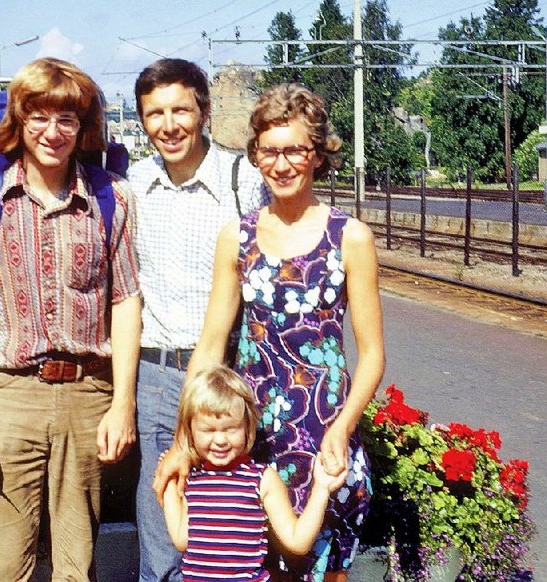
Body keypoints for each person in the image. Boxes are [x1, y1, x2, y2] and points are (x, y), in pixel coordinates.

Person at [158, 83, 386, 581]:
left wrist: (344, 428)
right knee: (250, 567)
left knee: (327, 566)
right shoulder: (236, 237)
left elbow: (371, 356)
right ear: (255, 154)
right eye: (269, 151)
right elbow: (212, 344)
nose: (281, 165)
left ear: (318, 154)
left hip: (323, 433)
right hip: (249, 439)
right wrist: (182, 440)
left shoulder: (350, 237)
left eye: (295, 150)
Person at [0, 57, 141, 581]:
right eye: (39, 117)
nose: (53, 132)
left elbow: (125, 303)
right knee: (5, 566)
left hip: (87, 396)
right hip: (7, 396)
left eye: (67, 119)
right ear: (19, 121)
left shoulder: (111, 201)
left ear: (83, 127)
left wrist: (122, 403)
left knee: (78, 564)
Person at [128, 58, 268, 581]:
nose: (169, 125)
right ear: (143, 120)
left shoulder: (244, 182)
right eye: (155, 113)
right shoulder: (135, 186)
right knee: (163, 519)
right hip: (159, 378)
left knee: (236, 521)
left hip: (231, 379)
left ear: (203, 111)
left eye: (180, 110)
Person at [162, 365, 348, 581]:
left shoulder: (261, 478)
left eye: (231, 429)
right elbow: (181, 538)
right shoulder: (193, 480)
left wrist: (321, 490)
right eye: (209, 430)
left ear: (248, 426)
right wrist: (169, 486)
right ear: (190, 430)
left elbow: (298, 541)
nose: (220, 440)